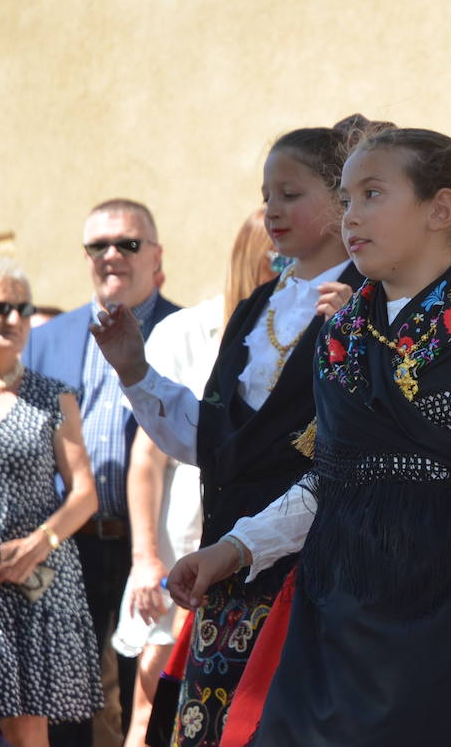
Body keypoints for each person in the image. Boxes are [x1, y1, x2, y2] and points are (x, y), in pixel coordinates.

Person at [165, 126, 451, 746]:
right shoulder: (341, 334)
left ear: (441, 210)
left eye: (372, 194)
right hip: (340, 602)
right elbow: (332, 479)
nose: (351, 216)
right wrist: (234, 550)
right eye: (345, 199)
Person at [89, 123, 365, 747]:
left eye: (290, 193)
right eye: (266, 193)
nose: (271, 210)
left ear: (338, 197)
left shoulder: (370, 303)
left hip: (326, 574)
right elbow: (213, 442)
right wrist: (135, 369)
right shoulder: (257, 306)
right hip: (230, 579)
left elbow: (353, 453)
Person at [110, 210, 275, 747]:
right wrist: (144, 560)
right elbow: (147, 459)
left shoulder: (315, 330)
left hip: (259, 548)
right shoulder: (187, 331)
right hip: (179, 547)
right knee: (151, 710)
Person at [23, 199, 180, 747]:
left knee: (149, 696)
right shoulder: (45, 340)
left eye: (128, 244)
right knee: (71, 704)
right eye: (99, 246)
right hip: (69, 545)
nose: (112, 255)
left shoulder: (186, 333)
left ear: (156, 254)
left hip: (157, 546)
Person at [0, 259, 102, 747]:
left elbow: (84, 493)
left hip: (31, 578)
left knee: (26, 727)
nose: (14, 320)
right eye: (0, 308)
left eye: (24, 308)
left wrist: (40, 543)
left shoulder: (52, 396)